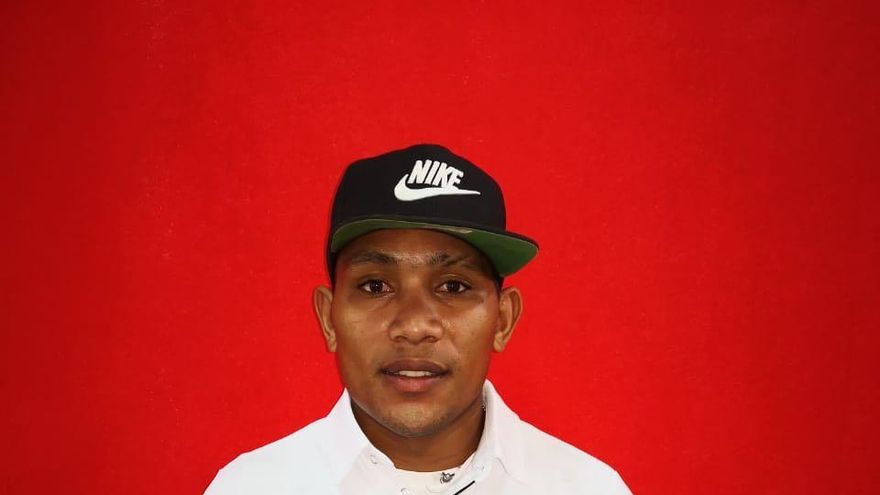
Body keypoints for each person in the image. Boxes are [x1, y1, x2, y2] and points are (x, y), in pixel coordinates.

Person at [204, 144, 633, 495]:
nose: (413, 326)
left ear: (503, 319)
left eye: (453, 287)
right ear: (328, 318)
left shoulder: (588, 489)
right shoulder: (250, 488)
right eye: (376, 286)